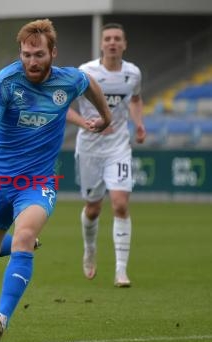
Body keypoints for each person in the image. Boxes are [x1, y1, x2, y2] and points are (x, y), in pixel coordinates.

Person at [0, 19, 112, 342]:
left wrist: (106, 117)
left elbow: (89, 82)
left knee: (22, 235)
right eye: (26, 55)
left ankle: (2, 317)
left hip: (37, 183)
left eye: (38, 55)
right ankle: (25, 244)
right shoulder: (4, 83)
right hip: (0, 182)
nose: (32, 62)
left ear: (53, 53)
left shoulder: (68, 80)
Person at [66, 23, 146, 288]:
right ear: (101, 44)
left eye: (117, 39)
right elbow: (64, 107)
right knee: (93, 207)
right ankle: (90, 249)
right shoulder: (86, 72)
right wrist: (84, 123)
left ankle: (121, 271)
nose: (112, 42)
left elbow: (135, 99)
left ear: (124, 44)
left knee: (120, 204)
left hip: (118, 146)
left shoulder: (133, 73)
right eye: (108, 38)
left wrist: (139, 124)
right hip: (89, 147)